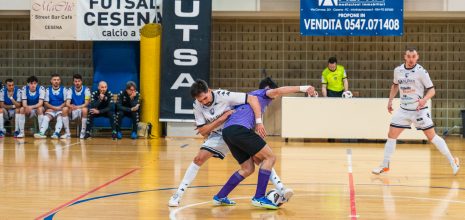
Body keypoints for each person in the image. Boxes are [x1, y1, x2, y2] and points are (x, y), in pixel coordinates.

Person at [168, 79, 287, 207]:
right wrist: (222, 118)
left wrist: (258, 121)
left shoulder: (223, 95)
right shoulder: (197, 105)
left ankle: (280, 188)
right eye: (201, 100)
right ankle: (178, 195)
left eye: (205, 98)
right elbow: (203, 131)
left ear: (209, 91)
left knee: (258, 160)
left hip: (234, 129)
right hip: (218, 135)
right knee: (198, 159)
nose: (204, 102)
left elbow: (252, 98)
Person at [213, 78, 316, 209]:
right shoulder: (263, 94)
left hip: (228, 132)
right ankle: (259, 197)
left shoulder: (246, 98)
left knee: (247, 168)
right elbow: (279, 90)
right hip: (239, 130)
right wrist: (304, 88)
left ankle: (220, 196)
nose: (275, 97)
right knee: (270, 157)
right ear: (268, 88)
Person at [372, 48, 460, 175]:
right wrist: (390, 101)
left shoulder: (421, 72)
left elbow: (432, 90)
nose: (411, 59)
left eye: (413, 56)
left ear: (417, 57)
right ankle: (385, 165)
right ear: (405, 57)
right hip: (403, 110)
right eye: (409, 56)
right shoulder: (398, 70)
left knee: (432, 137)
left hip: (419, 110)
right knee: (391, 135)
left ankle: (453, 161)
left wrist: (424, 100)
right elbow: (395, 85)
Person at [34, 74, 69, 139]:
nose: (56, 81)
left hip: (60, 109)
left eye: (58, 80)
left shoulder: (64, 89)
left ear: (60, 81)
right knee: (46, 117)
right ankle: (41, 132)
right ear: (51, 81)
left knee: (60, 117)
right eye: (54, 80)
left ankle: (56, 133)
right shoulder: (47, 90)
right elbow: (46, 103)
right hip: (51, 109)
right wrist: (54, 108)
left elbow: (66, 102)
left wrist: (58, 108)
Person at [65, 74, 91, 139]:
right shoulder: (70, 90)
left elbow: (86, 103)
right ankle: (67, 133)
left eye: (79, 81)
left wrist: (77, 107)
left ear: (81, 81)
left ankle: (83, 132)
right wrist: (70, 106)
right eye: (75, 81)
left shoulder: (86, 89)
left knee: (85, 109)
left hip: (82, 109)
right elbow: (67, 103)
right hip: (74, 110)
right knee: (65, 109)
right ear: (73, 82)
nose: (77, 83)